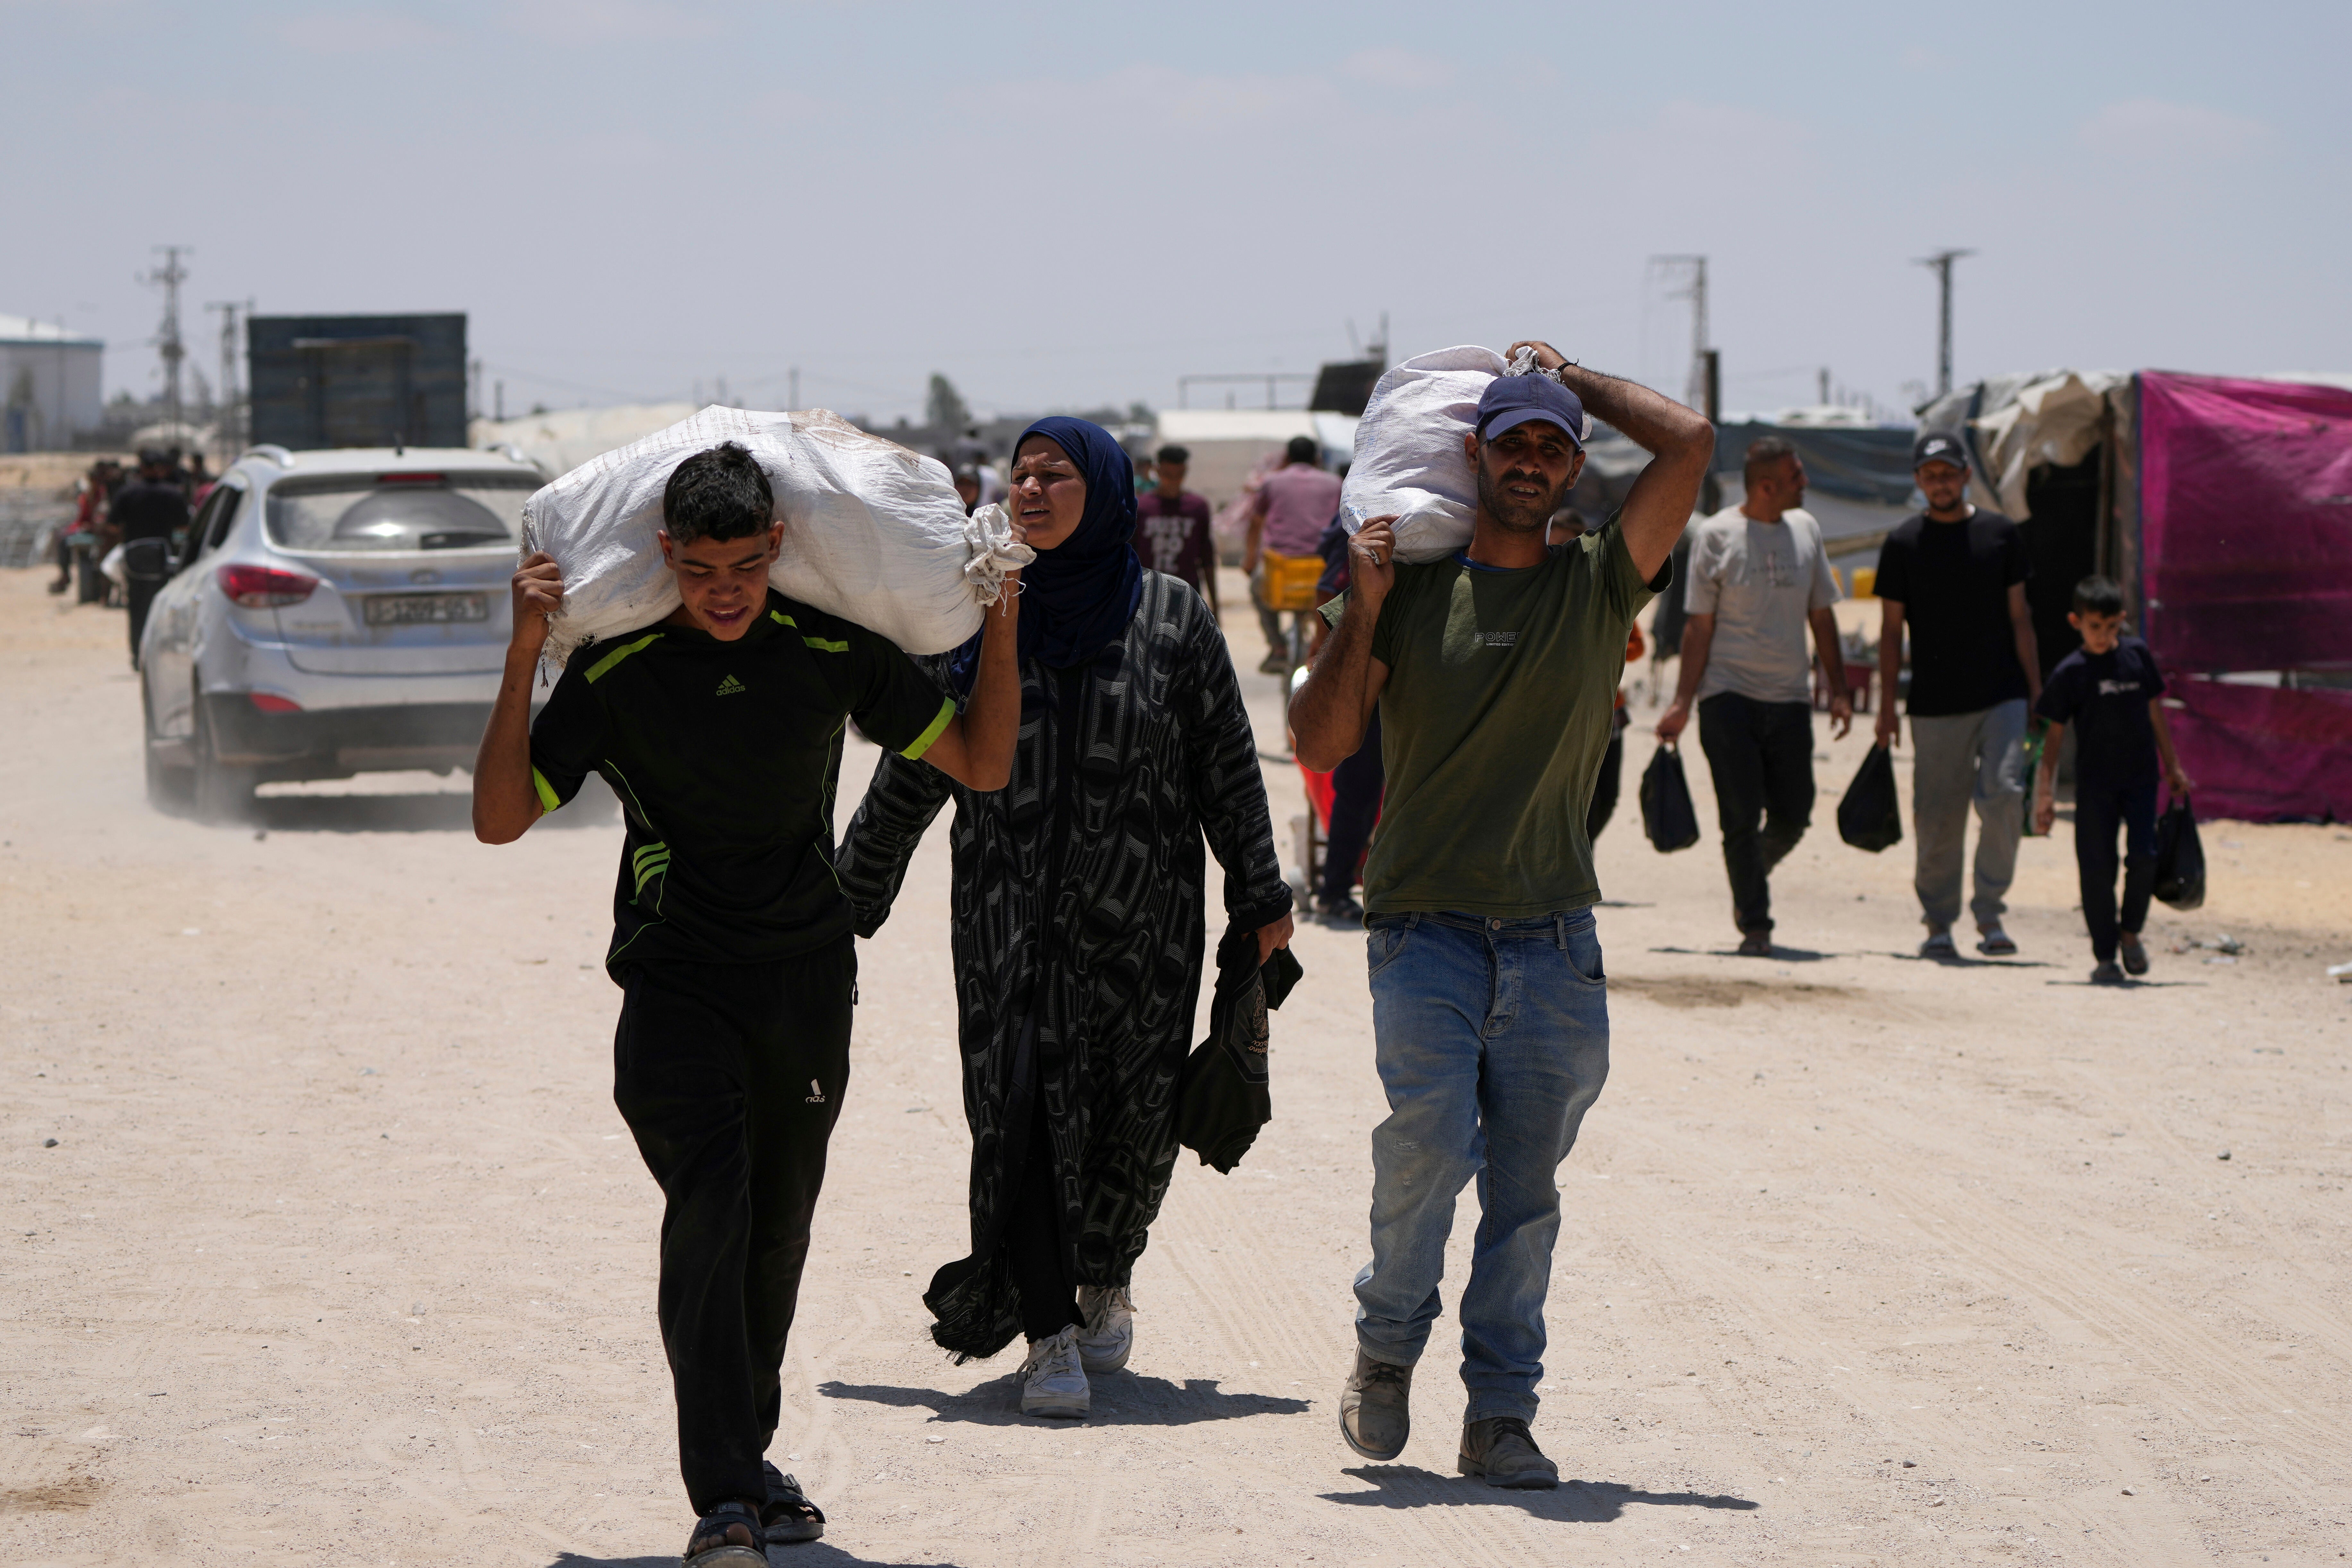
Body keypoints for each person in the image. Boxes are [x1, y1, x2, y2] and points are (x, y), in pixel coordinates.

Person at [471, 441, 1023, 1566]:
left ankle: (747, 1457)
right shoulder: (619, 674)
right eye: (698, 569)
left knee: (775, 1232)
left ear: (777, 545)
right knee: (711, 1212)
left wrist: (1001, 621)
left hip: (806, 983)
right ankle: (723, 1492)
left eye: (743, 566)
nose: (722, 592)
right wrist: (525, 649)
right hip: (673, 980)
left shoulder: (830, 651)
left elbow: (980, 760)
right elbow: (499, 817)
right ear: (664, 553)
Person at [1290, 344, 1711, 1488]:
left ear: (1572, 467)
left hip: (1552, 939)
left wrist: (1569, 373)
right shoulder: (1406, 591)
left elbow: (1687, 443)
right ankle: (1385, 1350)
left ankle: (1499, 1415)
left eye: (1548, 445)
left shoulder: (1599, 584)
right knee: (1424, 1152)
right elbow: (1321, 742)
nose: (1528, 461)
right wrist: (1361, 610)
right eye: (1510, 441)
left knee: (1524, 1199)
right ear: (1471, 456)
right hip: (1422, 928)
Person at [836, 417, 1292, 1422]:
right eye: (1022, 475)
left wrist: (1260, 895)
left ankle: (1106, 1278)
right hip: (1007, 923)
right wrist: (846, 896)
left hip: (1143, 928)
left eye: (1055, 475)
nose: (1031, 490)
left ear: (1105, 491)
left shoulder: (1171, 617)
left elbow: (1225, 764)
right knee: (1019, 1115)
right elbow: (919, 756)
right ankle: (1047, 1333)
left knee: (1131, 1120)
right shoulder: (979, 610)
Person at [1655, 438, 1852, 954]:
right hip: (1728, 697)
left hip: (1790, 698)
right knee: (1739, 815)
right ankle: (1756, 923)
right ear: (1766, 486)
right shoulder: (1717, 535)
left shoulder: (1806, 530)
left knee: (1795, 812)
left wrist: (1838, 688)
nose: (1804, 484)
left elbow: (1822, 614)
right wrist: (1682, 702)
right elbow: (1699, 626)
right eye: (1796, 477)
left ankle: (1749, 872)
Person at [1873, 431, 2041, 958]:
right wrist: (1884, 708)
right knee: (1937, 816)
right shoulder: (1902, 543)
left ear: (1966, 475)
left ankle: (1990, 913)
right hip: (1933, 702)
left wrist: (2036, 690)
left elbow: (2021, 618)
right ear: (1918, 481)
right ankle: (1939, 922)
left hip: (2002, 694)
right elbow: (1889, 633)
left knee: (2004, 793)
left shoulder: (2000, 534)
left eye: (1948, 473)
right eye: (1930, 475)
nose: (1940, 483)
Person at [2032, 576, 2193, 984]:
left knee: (2144, 857)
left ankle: (2130, 933)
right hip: (2095, 786)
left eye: (2110, 626)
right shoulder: (2071, 673)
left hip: (2141, 780)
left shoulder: (2136, 656)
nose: (2102, 635)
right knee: (2096, 868)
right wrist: (2044, 793)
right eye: (2094, 626)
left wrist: (2172, 766)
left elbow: (2155, 712)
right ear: (2076, 622)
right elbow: (2053, 737)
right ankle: (2105, 954)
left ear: (2121, 620)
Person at [1246, 434, 1341, 674]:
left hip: (1280, 566)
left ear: (1287, 458)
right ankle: (1326, 647)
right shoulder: (1335, 483)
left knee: (1257, 588)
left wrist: (1250, 559)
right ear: (1317, 459)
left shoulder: (1272, 482)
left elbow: (1256, 522)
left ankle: (1278, 648)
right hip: (1322, 567)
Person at [108, 449, 191, 668]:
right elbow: (184, 526)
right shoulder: (173, 494)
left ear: (142, 468)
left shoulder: (127, 493)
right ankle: (158, 653)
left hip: (134, 560)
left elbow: (113, 525)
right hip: (162, 560)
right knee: (161, 607)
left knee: (136, 608)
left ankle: (138, 655)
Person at [1131, 443, 1218, 614]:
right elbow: (1130, 554)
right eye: (1168, 475)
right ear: (1157, 471)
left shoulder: (1198, 507)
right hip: (1148, 594)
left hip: (1187, 594)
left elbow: (1207, 557)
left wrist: (1215, 605)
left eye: (1179, 475)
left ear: (1185, 472)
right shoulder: (1141, 508)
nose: (1173, 481)